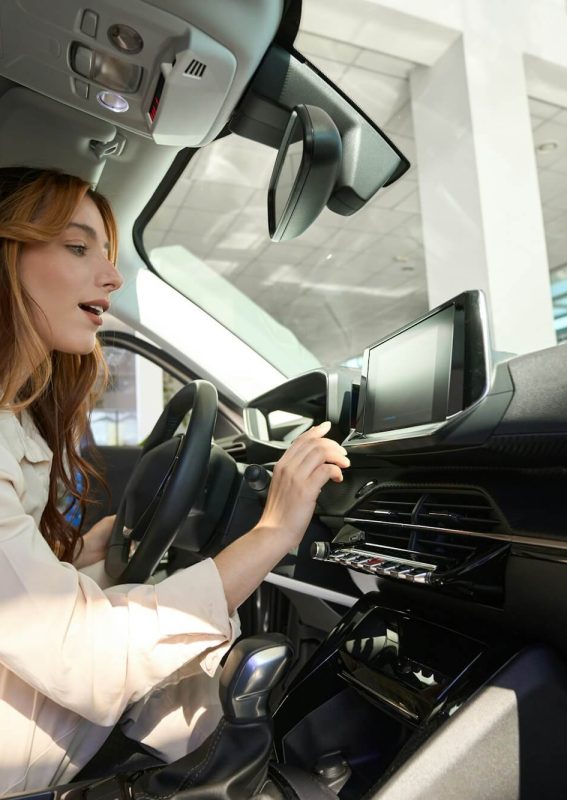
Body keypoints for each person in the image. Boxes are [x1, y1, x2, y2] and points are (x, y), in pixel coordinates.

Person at [0, 167, 350, 795]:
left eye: (107, 255)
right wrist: (272, 531)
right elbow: (81, 653)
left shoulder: (13, 418)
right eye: (78, 249)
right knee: (210, 690)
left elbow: (21, 577)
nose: (111, 277)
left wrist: (98, 547)